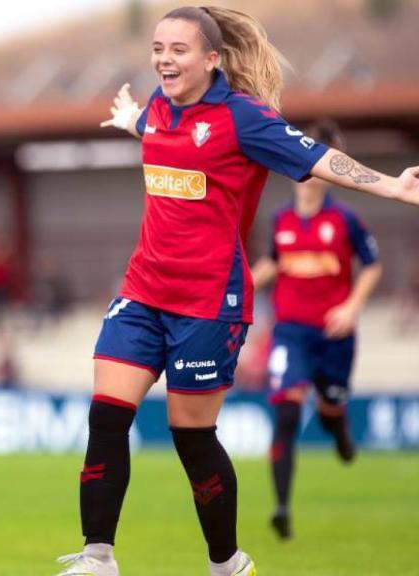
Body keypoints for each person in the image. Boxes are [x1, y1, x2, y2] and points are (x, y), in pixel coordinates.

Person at [60, 6, 419, 576]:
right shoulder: (157, 107)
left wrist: (391, 186)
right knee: (106, 417)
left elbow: (317, 158)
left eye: (178, 50)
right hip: (143, 293)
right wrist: (131, 117)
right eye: (157, 48)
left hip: (209, 304)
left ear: (211, 58)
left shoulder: (244, 119)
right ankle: (98, 557)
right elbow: (156, 131)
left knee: (191, 439)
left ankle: (227, 563)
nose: (164, 59)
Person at [250, 120, 382, 540]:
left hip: (334, 335)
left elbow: (372, 265)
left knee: (328, 410)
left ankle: (339, 429)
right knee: (286, 410)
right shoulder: (281, 219)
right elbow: (274, 260)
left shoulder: (346, 221)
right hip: (290, 331)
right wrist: (243, 284)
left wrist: (351, 307)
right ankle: (282, 508)